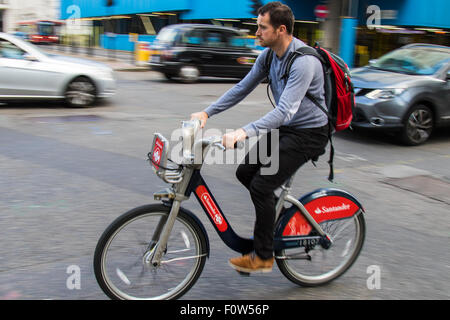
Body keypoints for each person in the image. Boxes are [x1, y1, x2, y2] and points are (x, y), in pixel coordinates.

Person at [190, 1, 329, 273]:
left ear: (281, 29)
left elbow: (285, 112)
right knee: (246, 173)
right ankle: (273, 220)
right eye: (257, 26)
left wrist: (244, 131)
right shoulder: (269, 56)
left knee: (262, 187)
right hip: (289, 129)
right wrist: (207, 113)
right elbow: (242, 88)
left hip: (310, 133)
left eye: (262, 27)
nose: (256, 32)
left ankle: (264, 256)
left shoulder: (304, 62)